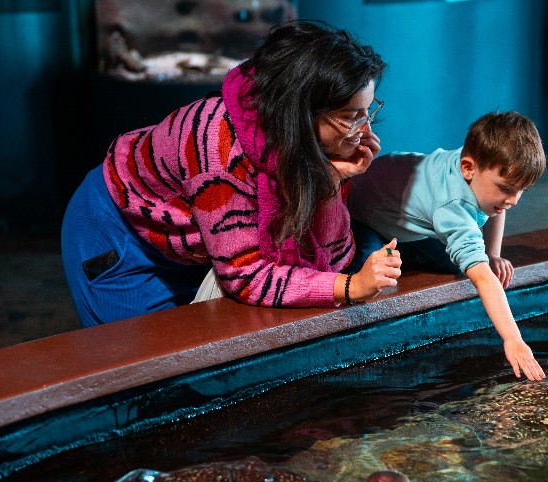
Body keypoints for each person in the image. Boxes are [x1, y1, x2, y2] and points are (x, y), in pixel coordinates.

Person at [61, 20, 402, 327]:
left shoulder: (302, 143)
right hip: (121, 232)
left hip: (194, 241)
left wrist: (329, 182)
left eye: (368, 110)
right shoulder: (219, 151)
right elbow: (248, 277)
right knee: (146, 374)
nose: (366, 129)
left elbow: (329, 259)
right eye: (351, 116)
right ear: (298, 111)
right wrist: (351, 288)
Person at [346, 111, 547, 381]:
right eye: (507, 189)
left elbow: (496, 209)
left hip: (396, 201)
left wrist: (492, 254)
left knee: (460, 258)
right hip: (361, 215)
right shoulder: (453, 207)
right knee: (364, 281)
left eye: (522, 190)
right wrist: (513, 339)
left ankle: (404, 246)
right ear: (468, 168)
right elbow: (484, 279)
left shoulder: (480, 165)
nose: (514, 200)